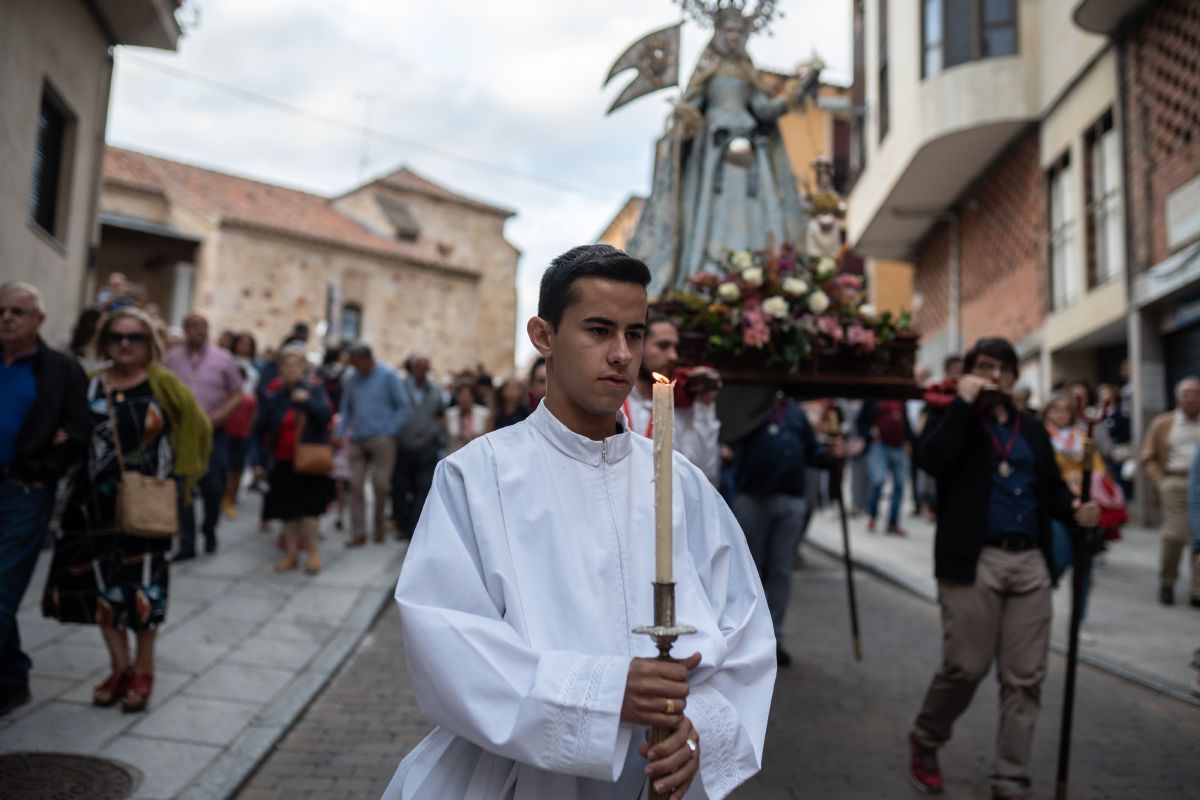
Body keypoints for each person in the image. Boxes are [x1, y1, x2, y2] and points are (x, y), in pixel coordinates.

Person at [384, 244, 774, 800]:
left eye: (634, 334)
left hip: (653, 776)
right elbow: (447, 641)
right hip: (519, 777)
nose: (621, 354)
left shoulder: (679, 482)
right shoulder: (478, 476)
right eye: (598, 330)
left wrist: (696, 734)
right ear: (544, 335)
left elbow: (745, 631)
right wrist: (605, 693)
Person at [907, 337, 1100, 800]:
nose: (994, 376)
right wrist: (962, 404)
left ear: (1015, 377)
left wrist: (1076, 509)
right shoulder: (953, 417)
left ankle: (1009, 777)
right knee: (965, 667)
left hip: (1030, 561)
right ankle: (926, 738)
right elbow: (931, 462)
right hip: (974, 561)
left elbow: (1050, 491)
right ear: (969, 373)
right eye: (984, 367)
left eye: (1002, 369)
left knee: (1025, 677)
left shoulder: (1031, 429)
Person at [44, 307, 211, 713]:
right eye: (116, 337)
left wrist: (181, 483)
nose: (124, 344)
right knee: (102, 589)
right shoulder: (90, 384)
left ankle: (144, 670)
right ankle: (119, 668)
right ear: (105, 342)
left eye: (133, 337)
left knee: (143, 591)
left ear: (148, 343)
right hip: (91, 505)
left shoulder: (164, 385)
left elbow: (198, 430)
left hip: (146, 505)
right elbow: (73, 431)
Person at [626, 5, 814, 292]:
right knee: (708, 215)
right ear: (718, 31)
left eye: (740, 31)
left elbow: (764, 110)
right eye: (729, 31)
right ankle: (704, 272)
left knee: (753, 214)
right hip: (712, 153)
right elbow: (693, 105)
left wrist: (793, 94)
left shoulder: (749, 73)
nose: (734, 37)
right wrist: (684, 114)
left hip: (750, 153)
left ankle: (755, 271)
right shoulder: (707, 70)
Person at [0, 282, 91, 717]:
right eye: (2, 310)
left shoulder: (60, 369)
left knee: (2, 588)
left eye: (18, 311)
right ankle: (13, 675)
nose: (7, 318)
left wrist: (45, 471)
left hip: (23, 491)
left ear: (39, 320)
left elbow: (78, 433)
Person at [732, 391, 840, 667]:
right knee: (750, 570)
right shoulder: (749, 407)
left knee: (781, 570)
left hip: (790, 500)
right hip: (752, 498)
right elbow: (730, 440)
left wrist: (830, 453)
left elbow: (812, 452)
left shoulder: (795, 413)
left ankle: (773, 638)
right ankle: (745, 639)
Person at [164, 312, 242, 559]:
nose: (198, 330)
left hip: (213, 432)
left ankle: (209, 528)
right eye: (193, 326)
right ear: (186, 329)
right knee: (183, 486)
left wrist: (220, 415)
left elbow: (238, 393)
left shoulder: (223, 358)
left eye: (203, 326)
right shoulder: (171, 358)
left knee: (213, 487)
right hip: (182, 434)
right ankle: (187, 542)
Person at [1042, 392, 1126, 620]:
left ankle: (1078, 621)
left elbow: (1098, 467)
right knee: (1059, 557)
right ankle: (1039, 605)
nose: (1060, 414)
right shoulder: (1040, 438)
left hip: (1084, 504)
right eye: (1055, 409)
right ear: (1047, 412)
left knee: (1084, 564)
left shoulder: (1082, 438)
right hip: (1056, 508)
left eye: (1065, 409)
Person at [253, 346, 334, 574]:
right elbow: (260, 427)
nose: (292, 369)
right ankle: (291, 555)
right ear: (280, 368)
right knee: (288, 512)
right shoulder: (275, 393)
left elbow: (326, 416)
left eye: (297, 364)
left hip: (308, 461)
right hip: (282, 460)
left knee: (309, 512)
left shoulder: (314, 389)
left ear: (304, 367)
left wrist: (306, 401)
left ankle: (313, 555)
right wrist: (258, 460)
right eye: (287, 364)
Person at [622, 313, 722, 485]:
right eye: (663, 346)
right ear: (637, 346)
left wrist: (704, 405)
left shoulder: (679, 402)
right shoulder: (614, 397)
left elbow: (705, 473)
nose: (673, 356)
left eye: (676, 348)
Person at [338, 344, 407, 546]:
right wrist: (340, 431)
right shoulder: (352, 379)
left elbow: (402, 405)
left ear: (368, 359)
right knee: (355, 486)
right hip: (357, 438)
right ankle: (358, 532)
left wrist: (391, 430)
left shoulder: (387, 375)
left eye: (357, 363)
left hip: (382, 438)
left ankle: (378, 527)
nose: (355, 367)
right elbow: (346, 409)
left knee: (380, 484)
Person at [1140, 376, 1200, 607]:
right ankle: (1167, 580)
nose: (1192, 398)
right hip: (1174, 483)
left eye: (1196, 393)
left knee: (1199, 536)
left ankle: (1197, 590)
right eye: (1187, 394)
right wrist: (1160, 481)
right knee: (1174, 535)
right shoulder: (1164, 423)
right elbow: (1148, 456)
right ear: (1178, 397)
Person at [393, 354, 442, 539]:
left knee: (422, 487)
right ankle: (403, 525)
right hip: (404, 444)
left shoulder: (435, 391)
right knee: (401, 486)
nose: (421, 371)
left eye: (425, 367)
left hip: (426, 445)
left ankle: (416, 527)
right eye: (418, 367)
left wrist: (435, 431)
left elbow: (440, 414)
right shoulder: (400, 387)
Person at [860, 398, 913, 535]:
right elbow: (862, 421)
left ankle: (893, 523)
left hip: (898, 447)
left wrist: (909, 441)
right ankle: (872, 516)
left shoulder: (901, 400)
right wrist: (869, 436)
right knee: (878, 480)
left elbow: (905, 422)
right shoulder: (873, 399)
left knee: (900, 485)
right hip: (880, 447)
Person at [220, 365, 259, 520]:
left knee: (237, 469)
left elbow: (252, 419)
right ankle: (225, 497)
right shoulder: (224, 396)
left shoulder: (249, 399)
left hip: (242, 437)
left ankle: (231, 499)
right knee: (227, 469)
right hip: (227, 436)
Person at [445, 381, 492, 454]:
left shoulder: (484, 414)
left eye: (467, 397)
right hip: (454, 454)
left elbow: (488, 438)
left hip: (478, 454)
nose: (464, 400)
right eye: (461, 396)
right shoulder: (449, 414)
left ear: (473, 398)